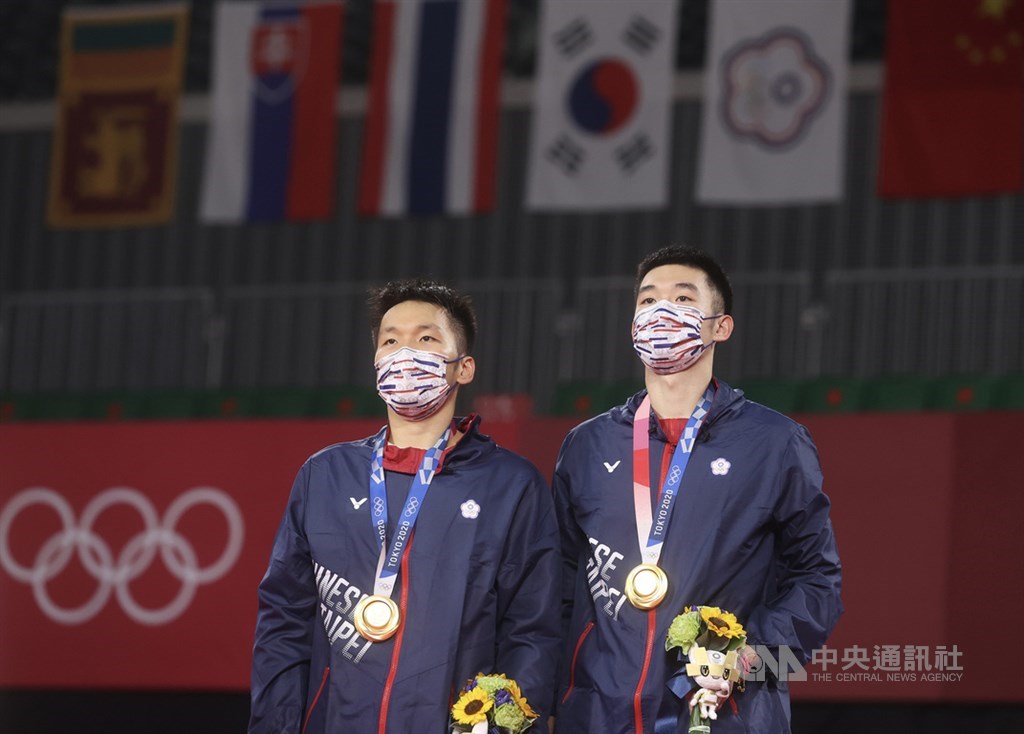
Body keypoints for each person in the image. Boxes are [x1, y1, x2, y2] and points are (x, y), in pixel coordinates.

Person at [249, 279, 561, 734]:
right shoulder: (325, 475)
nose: (404, 352)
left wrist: (502, 728)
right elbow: (283, 618)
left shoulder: (512, 485)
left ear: (464, 368)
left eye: (426, 338)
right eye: (390, 340)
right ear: (376, 363)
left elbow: (531, 631)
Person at [552, 247, 842, 733]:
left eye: (682, 298)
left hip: (723, 715)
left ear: (720, 326)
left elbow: (820, 586)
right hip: (596, 715)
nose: (660, 312)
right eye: (647, 302)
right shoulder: (585, 444)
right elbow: (556, 584)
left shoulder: (775, 443)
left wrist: (753, 664)